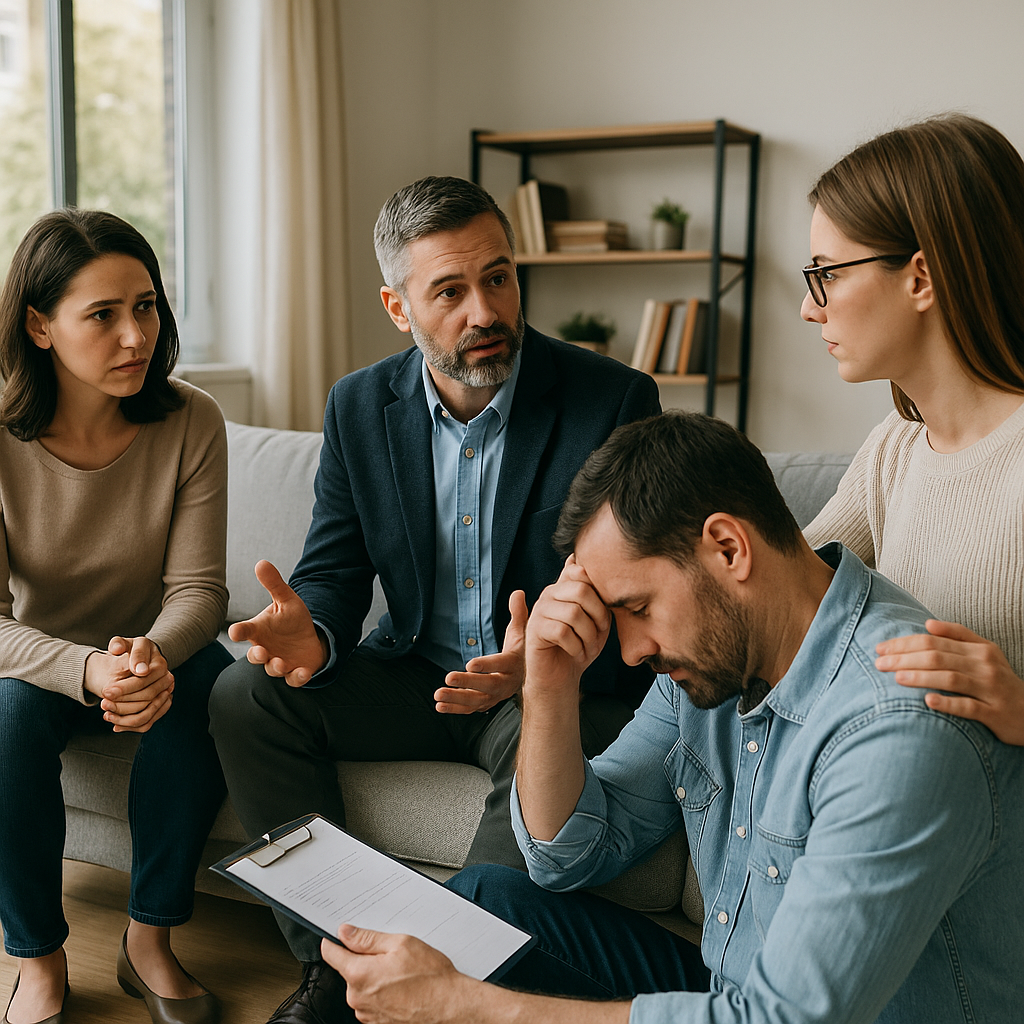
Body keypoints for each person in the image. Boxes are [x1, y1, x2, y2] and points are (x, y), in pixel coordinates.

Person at [319, 411, 1024, 1024]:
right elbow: (566, 857)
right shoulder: (710, 669)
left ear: (728, 548)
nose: (630, 651)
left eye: (636, 607)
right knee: (482, 901)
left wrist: (472, 1009)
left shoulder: (895, 726)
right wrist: (551, 688)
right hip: (734, 995)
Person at [208, 175, 660, 1024]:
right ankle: (333, 967)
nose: (484, 310)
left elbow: (632, 585)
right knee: (245, 693)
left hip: (543, 688)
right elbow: (334, 574)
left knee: (540, 756)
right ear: (398, 306)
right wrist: (313, 636)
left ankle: (445, 991)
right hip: (416, 670)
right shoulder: (357, 405)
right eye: (449, 291)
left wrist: (545, 664)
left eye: (498, 277)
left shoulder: (612, 401)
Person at [0, 209, 232, 1024]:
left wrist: (149, 657)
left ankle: (149, 940)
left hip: (154, 662)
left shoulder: (191, 419)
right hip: (48, 669)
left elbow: (201, 590)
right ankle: (35, 959)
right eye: (103, 315)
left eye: (146, 306)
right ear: (39, 324)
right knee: (5, 710)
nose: (136, 336)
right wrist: (88, 667)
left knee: (218, 682)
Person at [799, 113, 1024, 746]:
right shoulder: (893, 453)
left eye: (829, 273)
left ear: (920, 278)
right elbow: (778, 590)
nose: (809, 306)